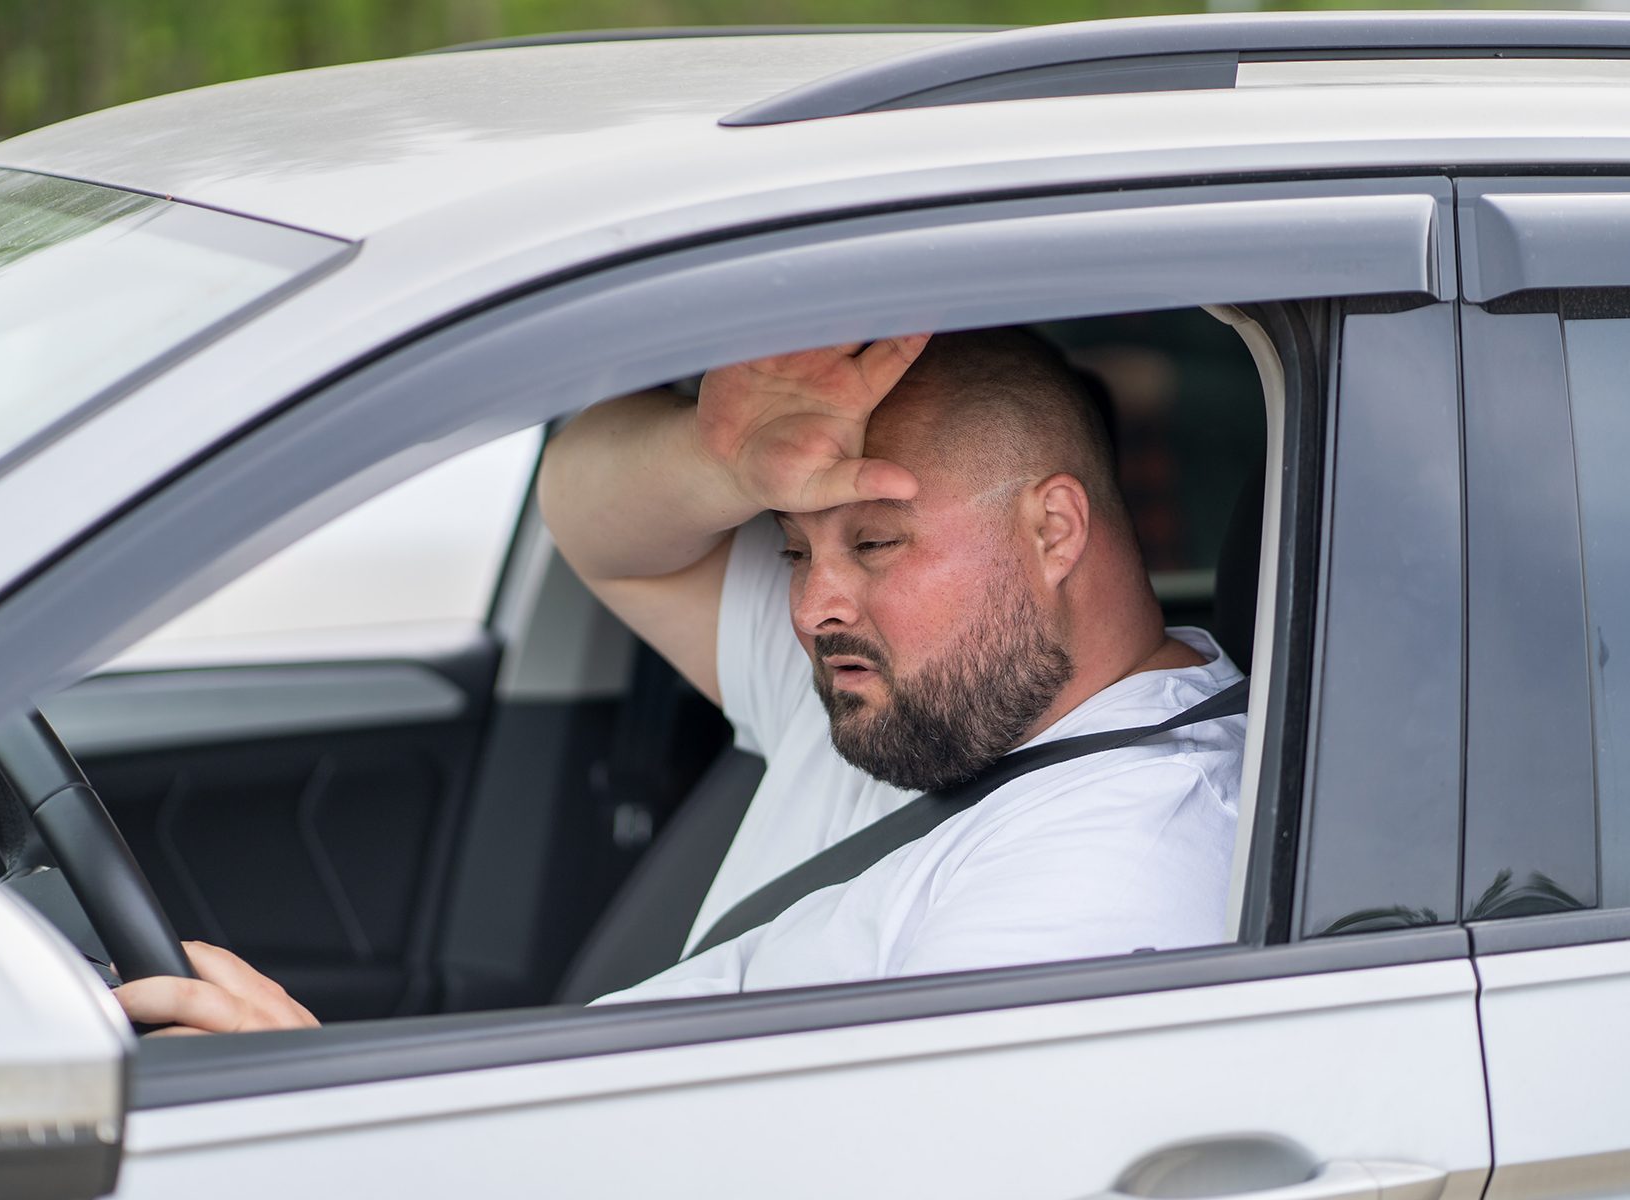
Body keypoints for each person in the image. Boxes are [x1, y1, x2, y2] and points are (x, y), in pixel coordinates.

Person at [113, 327, 1244, 1032]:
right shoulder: (914, 692)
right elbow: (591, 521)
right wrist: (722, 463)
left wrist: (341, 1150)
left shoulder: (1111, 871)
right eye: (796, 548)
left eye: (877, 544)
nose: (813, 606)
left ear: (1055, 530)